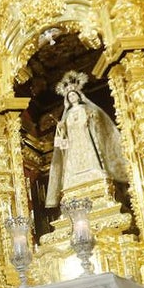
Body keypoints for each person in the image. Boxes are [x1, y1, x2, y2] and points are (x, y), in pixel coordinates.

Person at [44, 72, 128, 208]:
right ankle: (72, 181)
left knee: (90, 157)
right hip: (73, 145)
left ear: (78, 95)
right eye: (69, 96)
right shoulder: (68, 115)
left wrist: (92, 118)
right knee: (72, 163)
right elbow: (64, 134)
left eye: (73, 95)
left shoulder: (87, 109)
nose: (71, 97)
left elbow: (97, 124)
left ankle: (94, 172)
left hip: (86, 140)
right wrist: (61, 127)